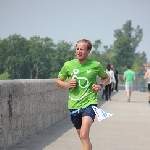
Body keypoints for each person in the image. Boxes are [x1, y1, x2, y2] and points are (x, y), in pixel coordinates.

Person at [56, 39, 110, 150]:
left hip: (90, 103)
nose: (79, 51)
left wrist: (100, 85)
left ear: (89, 50)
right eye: (77, 49)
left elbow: (106, 78)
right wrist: (67, 84)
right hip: (74, 105)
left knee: (84, 134)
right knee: (84, 139)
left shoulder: (95, 65)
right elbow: (58, 82)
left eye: (82, 49)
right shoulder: (68, 65)